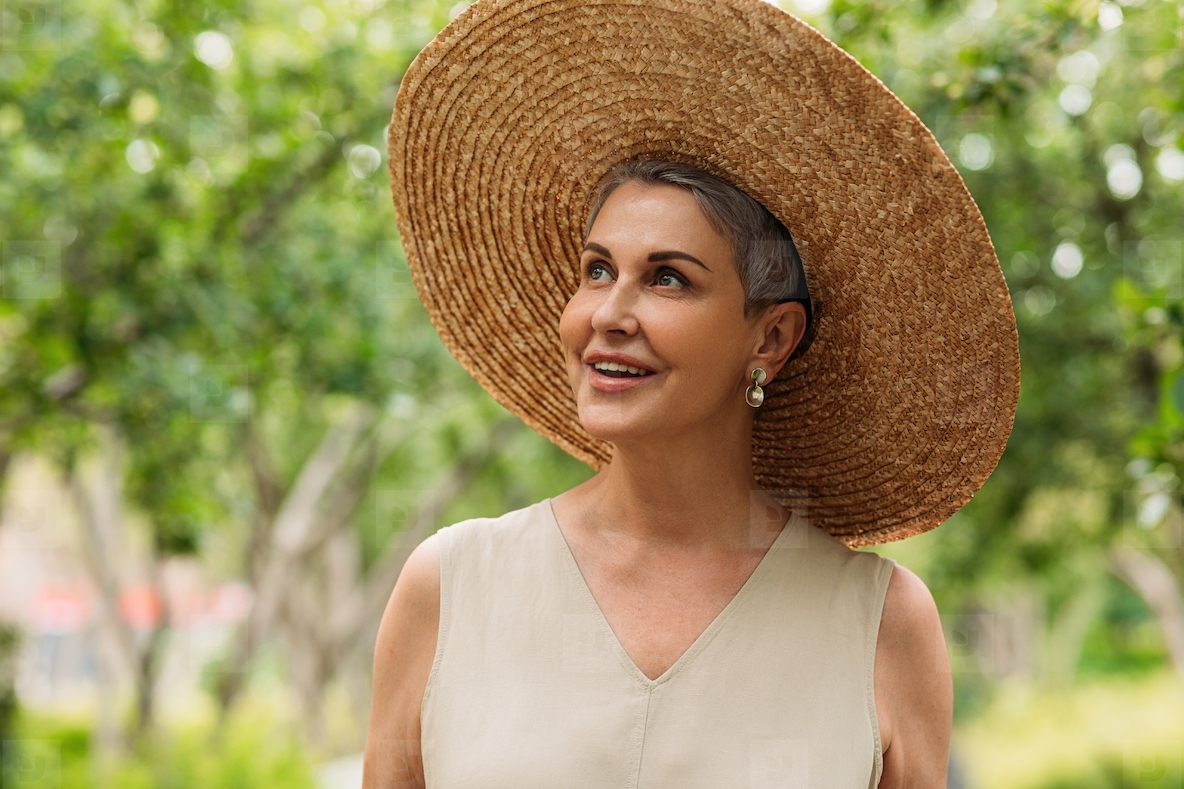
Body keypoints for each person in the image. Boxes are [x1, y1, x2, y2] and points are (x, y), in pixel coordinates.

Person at [365, 0, 1020, 786]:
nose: (609, 314)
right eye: (598, 269)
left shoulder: (879, 623)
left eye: (668, 278)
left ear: (770, 338)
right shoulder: (452, 586)